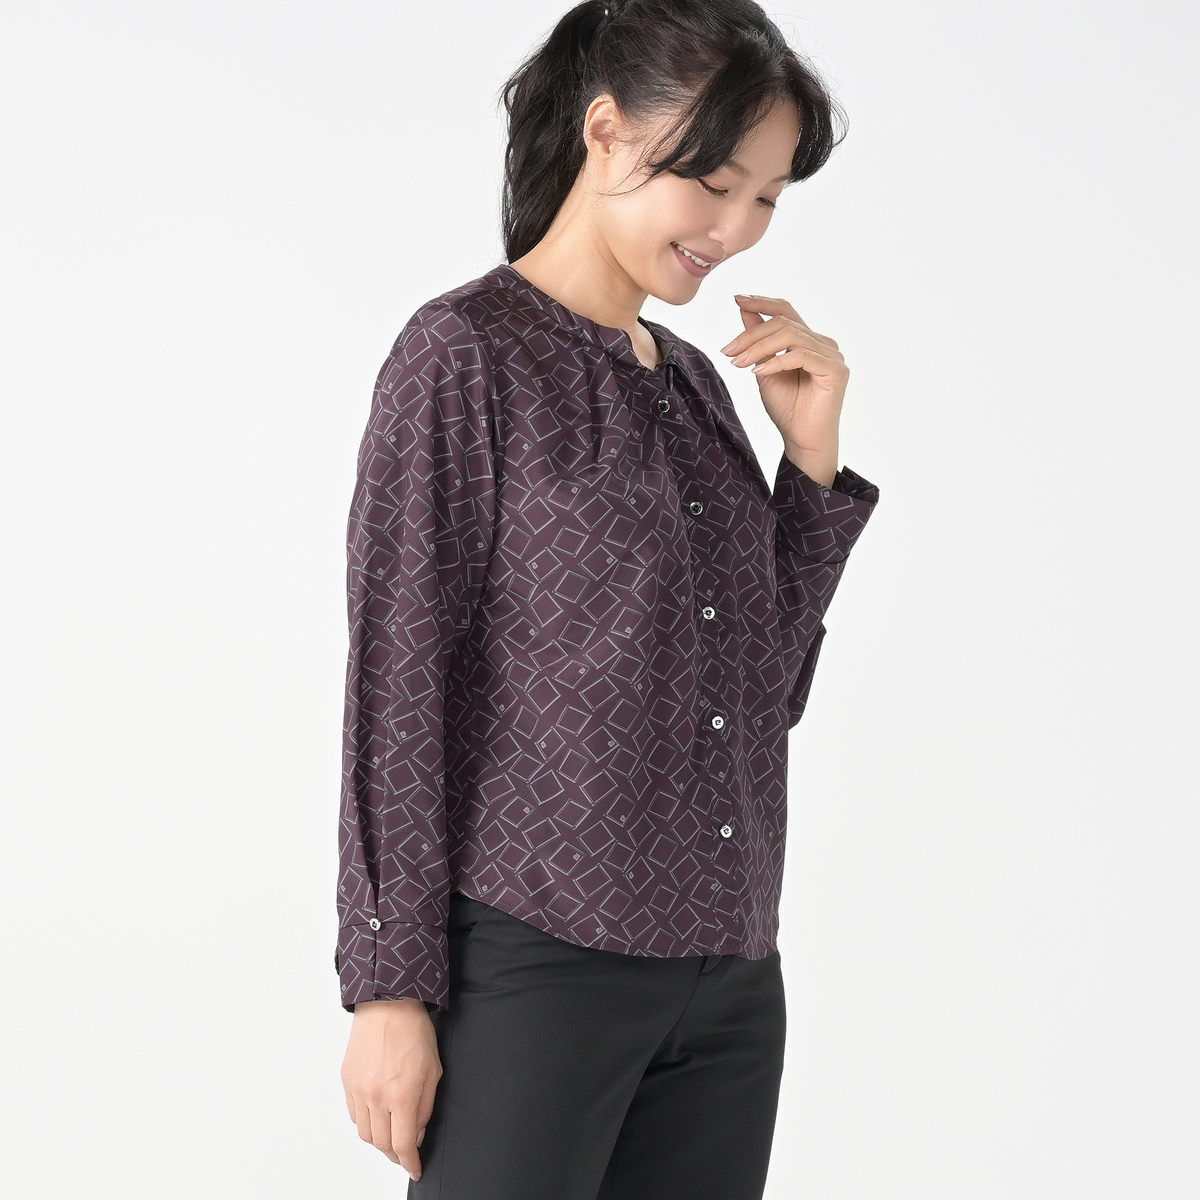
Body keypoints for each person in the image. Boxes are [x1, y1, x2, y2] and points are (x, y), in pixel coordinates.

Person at [336, 1, 879, 1196]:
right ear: (606, 131)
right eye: (716, 184)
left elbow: (759, 697)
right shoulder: (464, 355)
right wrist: (388, 987)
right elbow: (399, 684)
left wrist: (811, 469)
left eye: (768, 198)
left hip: (730, 983)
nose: (736, 230)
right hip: (539, 959)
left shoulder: (695, 388)